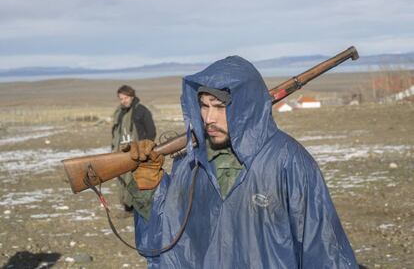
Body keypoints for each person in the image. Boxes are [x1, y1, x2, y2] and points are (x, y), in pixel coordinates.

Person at [128, 56, 358, 268]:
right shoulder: (190, 164)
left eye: (220, 106)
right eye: (204, 105)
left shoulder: (288, 161)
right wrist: (148, 189)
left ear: (246, 108)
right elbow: (163, 244)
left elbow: (323, 249)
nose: (209, 118)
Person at [111, 85, 156, 215]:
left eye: (125, 98)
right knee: (121, 179)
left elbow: (151, 132)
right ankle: (127, 207)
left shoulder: (142, 111)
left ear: (132, 96)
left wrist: (145, 150)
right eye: (121, 98)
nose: (123, 101)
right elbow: (115, 134)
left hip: (137, 152)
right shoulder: (119, 113)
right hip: (121, 152)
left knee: (135, 180)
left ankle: (136, 208)